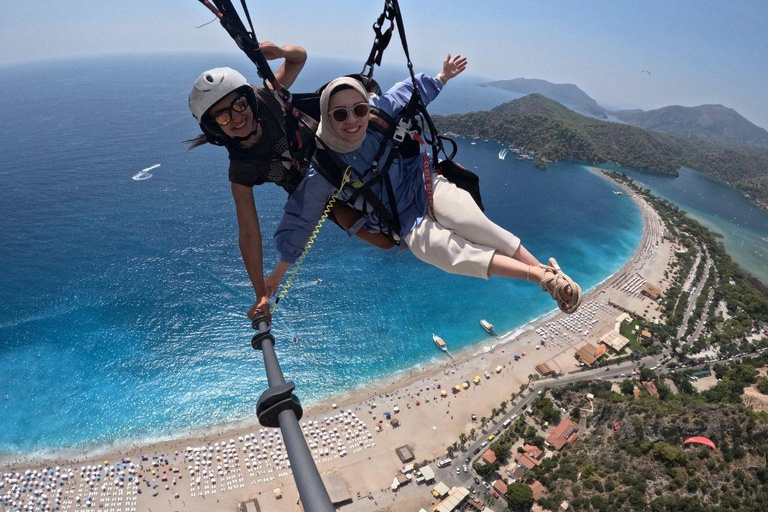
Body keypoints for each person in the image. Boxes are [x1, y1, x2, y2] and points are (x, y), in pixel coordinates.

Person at [266, 53, 583, 314]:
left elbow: (411, 94)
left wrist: (442, 76)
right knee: (445, 252)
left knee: (470, 221)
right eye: (340, 114)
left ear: (367, 106)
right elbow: (302, 215)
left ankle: (549, 276)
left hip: (423, 180)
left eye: (358, 109)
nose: (352, 120)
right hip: (401, 216)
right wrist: (281, 269)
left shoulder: (379, 113)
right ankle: (539, 275)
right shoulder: (326, 164)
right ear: (327, 117)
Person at [187, 42, 391, 322]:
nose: (237, 117)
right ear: (214, 128)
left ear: (248, 99)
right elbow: (248, 234)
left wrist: (280, 51)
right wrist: (260, 294)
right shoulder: (241, 169)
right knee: (385, 241)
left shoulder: (268, 99)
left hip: (338, 151)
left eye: (239, 104)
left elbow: (299, 58)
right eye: (223, 116)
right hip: (315, 194)